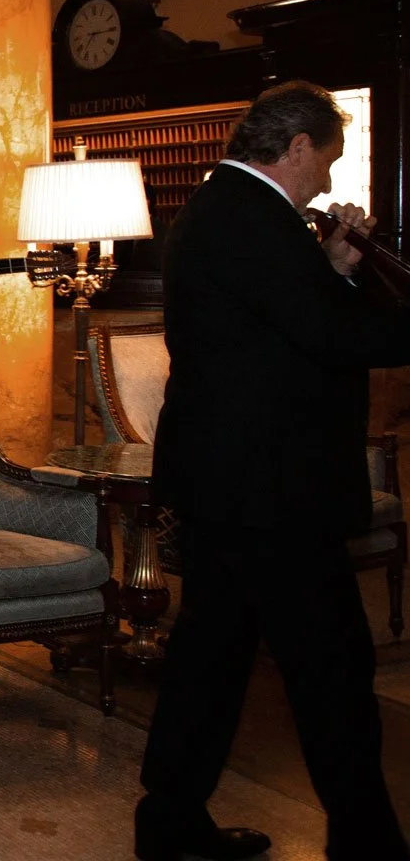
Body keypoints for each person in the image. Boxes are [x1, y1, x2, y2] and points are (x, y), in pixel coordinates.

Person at [137, 81, 410, 861]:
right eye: (327, 160)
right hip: (273, 492)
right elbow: (334, 337)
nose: (328, 179)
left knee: (211, 661)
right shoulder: (254, 220)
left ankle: (169, 820)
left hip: (234, 483)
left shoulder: (223, 209)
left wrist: (336, 267)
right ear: (296, 149)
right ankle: (367, 842)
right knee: (332, 671)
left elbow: (284, 325)